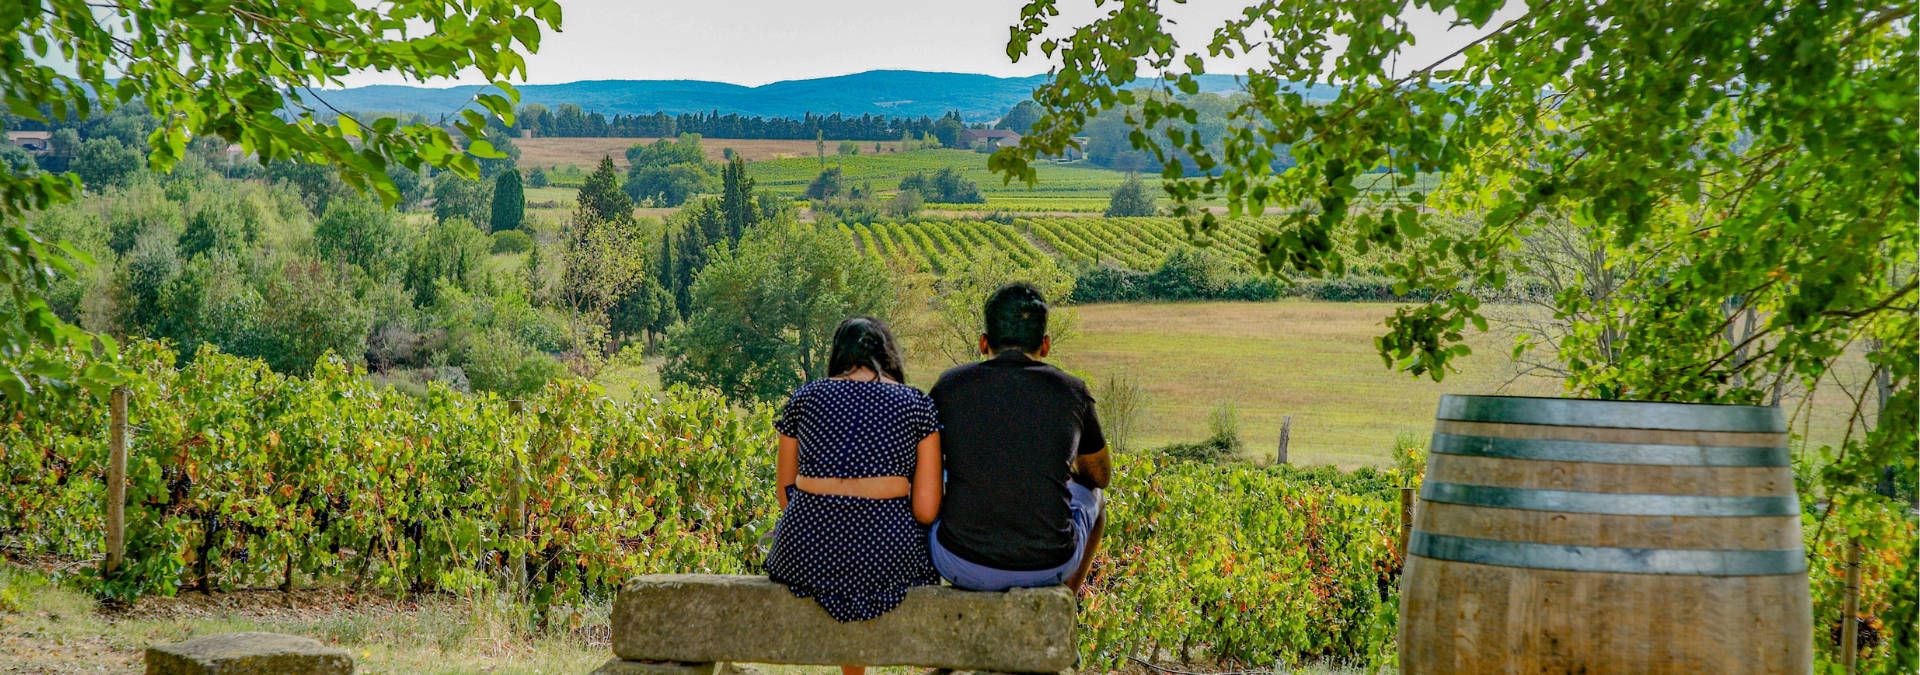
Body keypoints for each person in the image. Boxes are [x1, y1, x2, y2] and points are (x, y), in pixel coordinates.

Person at [762, 317, 942, 675]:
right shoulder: (916, 405)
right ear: (889, 355)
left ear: (838, 355)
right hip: (886, 553)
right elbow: (925, 510)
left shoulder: (805, 398)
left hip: (805, 551)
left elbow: (787, 496)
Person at [929, 283, 1111, 593]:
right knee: (1096, 500)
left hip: (959, 561)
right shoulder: (1072, 392)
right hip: (1048, 566)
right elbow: (1100, 476)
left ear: (984, 343)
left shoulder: (949, 386)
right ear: (1045, 345)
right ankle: (1066, 600)